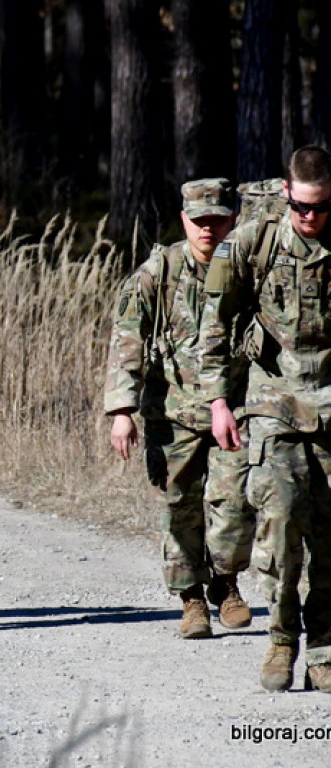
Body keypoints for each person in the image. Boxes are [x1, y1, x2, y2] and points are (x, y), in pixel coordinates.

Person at [202, 145, 331, 692]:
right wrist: (217, 402)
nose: (310, 217)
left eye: (320, 207)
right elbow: (216, 320)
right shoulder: (254, 240)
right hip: (272, 402)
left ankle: (323, 649)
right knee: (279, 525)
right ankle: (281, 641)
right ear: (286, 193)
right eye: (301, 206)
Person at [104, 178, 254, 640]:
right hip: (172, 413)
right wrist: (122, 410)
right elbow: (127, 337)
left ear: (233, 219)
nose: (208, 230)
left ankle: (226, 584)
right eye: (199, 221)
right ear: (184, 220)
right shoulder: (159, 271)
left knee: (236, 503)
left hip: (236, 408)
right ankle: (191, 600)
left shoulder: (248, 268)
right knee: (179, 509)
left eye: (218, 220)